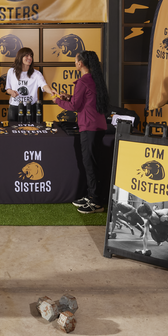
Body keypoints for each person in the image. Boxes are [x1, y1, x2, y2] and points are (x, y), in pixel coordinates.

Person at [48, 50, 110, 214]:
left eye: (75, 60)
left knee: (90, 165)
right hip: (99, 126)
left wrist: (58, 101)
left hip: (89, 127)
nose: (74, 63)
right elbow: (83, 101)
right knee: (93, 164)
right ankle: (92, 196)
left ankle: (96, 202)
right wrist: (69, 97)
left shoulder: (83, 81)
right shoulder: (94, 79)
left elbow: (75, 107)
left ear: (80, 64)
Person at [3, 47, 49, 122]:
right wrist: (11, 92)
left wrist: (51, 91)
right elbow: (8, 89)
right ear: (20, 57)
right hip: (15, 107)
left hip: (31, 108)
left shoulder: (36, 74)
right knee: (12, 131)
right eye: (26, 55)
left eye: (31, 56)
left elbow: (44, 85)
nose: (29, 58)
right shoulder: (11, 71)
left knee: (32, 131)